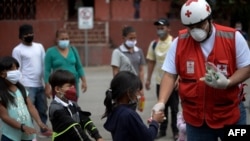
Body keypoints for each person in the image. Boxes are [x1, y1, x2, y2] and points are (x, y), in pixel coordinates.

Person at [152, 0, 250, 141]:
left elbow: (247, 67)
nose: (195, 30)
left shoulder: (233, 37)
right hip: (196, 121)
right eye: (191, 27)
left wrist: (228, 82)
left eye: (200, 25)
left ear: (210, 20)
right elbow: (169, 74)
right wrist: (161, 102)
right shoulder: (179, 43)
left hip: (231, 115)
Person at [12, 24, 52, 138]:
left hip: (40, 84)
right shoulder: (17, 50)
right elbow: (16, 69)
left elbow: (45, 65)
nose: (29, 35)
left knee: (42, 109)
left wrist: (46, 83)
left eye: (31, 33)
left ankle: (43, 130)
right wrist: (20, 86)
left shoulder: (39, 47)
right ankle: (30, 131)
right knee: (29, 110)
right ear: (21, 36)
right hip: (27, 86)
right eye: (26, 34)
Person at [102, 71, 165, 141]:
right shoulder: (129, 115)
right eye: (137, 91)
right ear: (129, 92)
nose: (139, 94)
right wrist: (155, 122)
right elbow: (147, 137)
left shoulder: (114, 109)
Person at [0, 56, 50, 141]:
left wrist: (39, 122)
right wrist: (22, 127)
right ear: (2, 73)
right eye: (12, 69)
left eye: (17, 68)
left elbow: (31, 106)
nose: (16, 72)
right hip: (10, 135)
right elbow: (4, 117)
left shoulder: (21, 89)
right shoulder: (1, 94)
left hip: (26, 133)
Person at [145, 18, 179, 140]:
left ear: (168, 28)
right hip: (160, 82)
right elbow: (151, 62)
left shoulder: (174, 42)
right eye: (158, 28)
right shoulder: (154, 44)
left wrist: (178, 78)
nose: (160, 30)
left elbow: (179, 62)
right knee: (161, 106)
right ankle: (163, 130)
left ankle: (176, 131)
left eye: (162, 28)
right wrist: (148, 79)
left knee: (174, 109)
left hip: (174, 83)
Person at [48, 69, 104, 141]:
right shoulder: (55, 108)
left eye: (73, 85)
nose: (73, 88)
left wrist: (97, 136)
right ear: (58, 89)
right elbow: (73, 128)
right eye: (69, 86)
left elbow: (85, 119)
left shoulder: (73, 104)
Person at [44, 28, 87, 101]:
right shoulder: (50, 52)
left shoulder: (73, 50)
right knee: (60, 106)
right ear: (57, 39)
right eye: (62, 39)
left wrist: (84, 81)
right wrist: (47, 85)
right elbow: (47, 71)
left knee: (73, 104)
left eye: (66, 39)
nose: (65, 41)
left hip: (72, 84)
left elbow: (79, 67)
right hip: (59, 85)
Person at [110, 26, 146, 93]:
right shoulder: (117, 52)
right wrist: (118, 86)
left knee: (137, 103)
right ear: (123, 38)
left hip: (136, 85)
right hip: (123, 86)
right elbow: (115, 72)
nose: (133, 40)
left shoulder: (139, 51)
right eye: (130, 38)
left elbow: (141, 71)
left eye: (134, 38)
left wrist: (141, 87)